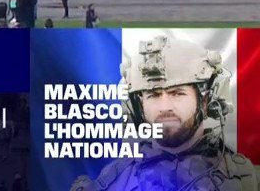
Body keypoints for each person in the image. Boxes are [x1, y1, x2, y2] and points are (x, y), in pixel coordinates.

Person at [87, 34, 257, 191]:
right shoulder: (111, 183)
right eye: (153, 95)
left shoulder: (250, 181)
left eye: (177, 93)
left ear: (205, 102)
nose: (165, 106)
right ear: (138, 108)